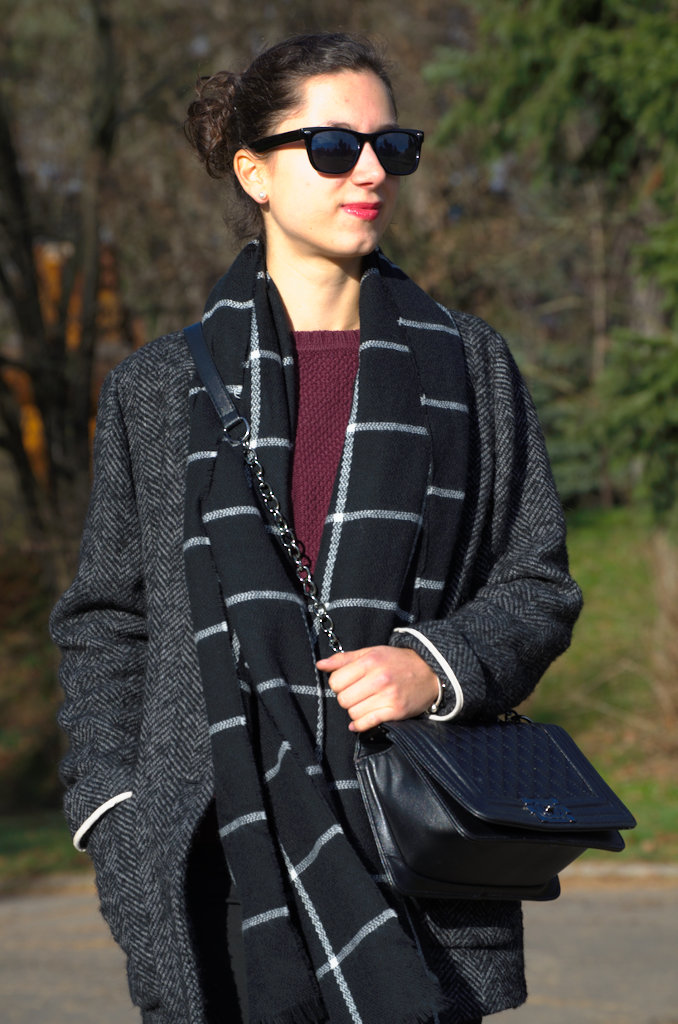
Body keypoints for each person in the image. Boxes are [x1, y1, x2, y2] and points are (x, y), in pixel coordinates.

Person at [50, 31, 582, 1024]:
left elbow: (536, 581)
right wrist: (114, 812)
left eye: (392, 146)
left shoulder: (470, 365)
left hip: (413, 853)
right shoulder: (158, 388)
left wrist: (436, 664)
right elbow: (107, 621)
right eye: (334, 147)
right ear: (253, 171)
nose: (371, 171)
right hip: (213, 859)